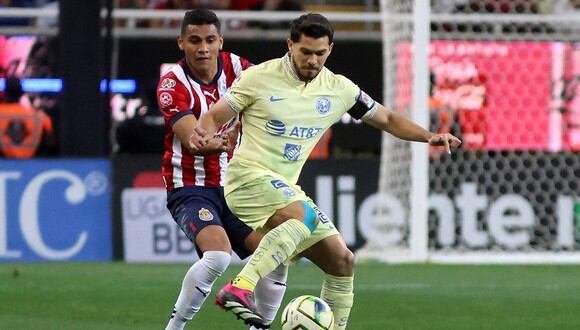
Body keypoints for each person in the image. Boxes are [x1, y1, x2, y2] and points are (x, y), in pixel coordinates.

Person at [190, 13, 462, 329]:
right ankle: (241, 286)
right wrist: (203, 132)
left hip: (284, 188)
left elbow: (386, 119)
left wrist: (429, 136)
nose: (313, 60)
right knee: (302, 216)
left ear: (330, 49)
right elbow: (213, 115)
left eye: (320, 53)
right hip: (246, 179)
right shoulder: (259, 78)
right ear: (290, 45)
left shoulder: (339, 89)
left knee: (342, 261)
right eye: (305, 52)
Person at [157, 9, 287, 330]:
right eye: (195, 40)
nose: (203, 48)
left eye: (210, 40)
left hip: (235, 187)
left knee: (276, 254)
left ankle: (260, 327)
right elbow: (192, 140)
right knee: (217, 257)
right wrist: (222, 142)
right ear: (181, 43)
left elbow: (275, 93)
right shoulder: (172, 84)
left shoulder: (240, 68)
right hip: (190, 187)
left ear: (221, 42)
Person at [0, 77, 53, 158]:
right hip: (34, 166)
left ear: (5, 93)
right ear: (22, 94)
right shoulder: (40, 116)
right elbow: (50, 143)